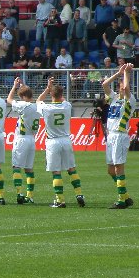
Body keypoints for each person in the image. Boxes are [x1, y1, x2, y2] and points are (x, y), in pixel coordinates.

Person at [36, 77, 85, 208]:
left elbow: (38, 100)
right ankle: (79, 194)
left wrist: (48, 88)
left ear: (51, 94)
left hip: (52, 142)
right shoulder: (67, 106)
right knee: (72, 169)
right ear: (62, 95)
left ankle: (60, 200)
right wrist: (54, 91)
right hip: (66, 140)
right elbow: (61, 99)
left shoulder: (46, 108)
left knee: (56, 172)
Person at [101, 63, 135, 209]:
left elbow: (127, 89)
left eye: (122, 84)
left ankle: (121, 199)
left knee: (118, 168)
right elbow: (104, 84)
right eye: (120, 84)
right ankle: (126, 196)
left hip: (120, 136)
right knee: (110, 170)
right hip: (111, 136)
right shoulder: (114, 98)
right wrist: (118, 73)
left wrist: (127, 73)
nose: (121, 86)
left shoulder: (130, 100)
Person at [7, 78, 41, 204]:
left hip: (21, 139)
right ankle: (30, 196)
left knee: (16, 167)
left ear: (23, 96)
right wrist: (22, 87)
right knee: (29, 169)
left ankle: (19, 193)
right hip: (31, 139)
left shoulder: (23, 105)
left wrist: (14, 86)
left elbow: (9, 100)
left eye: (20, 96)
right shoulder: (37, 106)